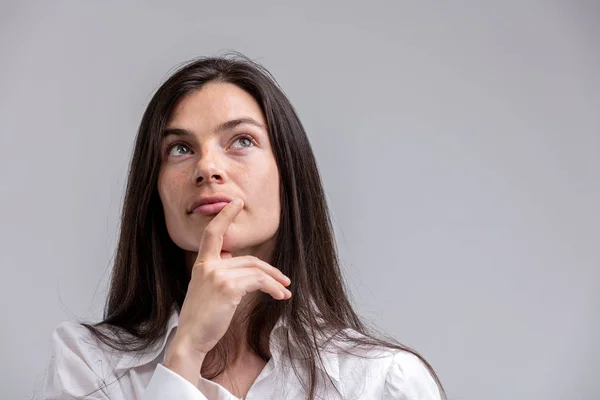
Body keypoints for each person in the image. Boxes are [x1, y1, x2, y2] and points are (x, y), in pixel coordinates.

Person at [41, 52, 447, 400]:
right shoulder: (87, 366)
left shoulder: (383, 382)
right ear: (154, 190)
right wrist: (185, 354)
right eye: (180, 149)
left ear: (288, 174)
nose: (208, 168)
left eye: (242, 141)